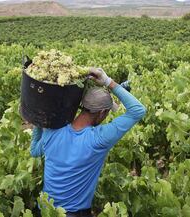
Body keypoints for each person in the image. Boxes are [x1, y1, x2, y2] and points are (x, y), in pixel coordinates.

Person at [30, 67, 146, 217]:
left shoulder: (53, 130)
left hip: (45, 211)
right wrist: (107, 81)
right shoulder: (98, 139)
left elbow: (34, 151)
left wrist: (39, 122)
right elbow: (138, 110)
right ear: (102, 113)